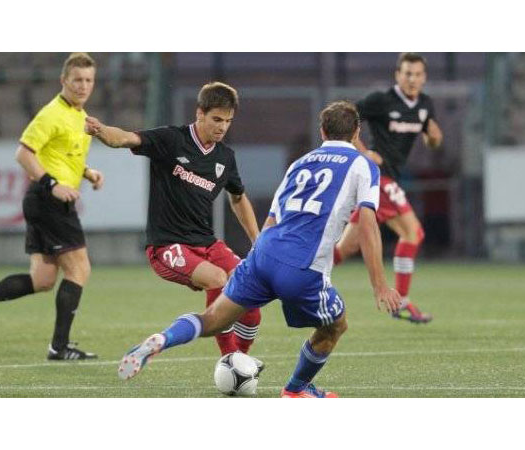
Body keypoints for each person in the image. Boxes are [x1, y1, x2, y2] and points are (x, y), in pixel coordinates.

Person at [115, 100, 401, 398]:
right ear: (356, 132)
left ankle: (163, 339)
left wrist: (255, 261)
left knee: (212, 320)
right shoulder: (363, 165)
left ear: (323, 132)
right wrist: (380, 285)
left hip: (262, 256)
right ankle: (295, 390)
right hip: (302, 267)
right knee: (335, 326)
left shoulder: (300, 164)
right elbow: (367, 224)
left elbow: (273, 219)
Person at [85, 82, 263, 363]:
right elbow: (126, 138)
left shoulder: (225, 157)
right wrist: (101, 131)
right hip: (167, 246)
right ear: (200, 113)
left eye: (228, 121)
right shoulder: (171, 140)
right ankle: (230, 358)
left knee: (250, 289)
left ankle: (241, 362)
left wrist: (257, 239)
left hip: (207, 243)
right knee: (217, 279)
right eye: (217, 119)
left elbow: (238, 197)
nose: (222, 127)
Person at [0, 53, 105, 360]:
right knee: (79, 268)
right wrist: (53, 184)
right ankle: (59, 347)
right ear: (63, 80)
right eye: (77, 79)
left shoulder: (80, 115)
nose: (83, 86)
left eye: (88, 80)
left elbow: (60, 156)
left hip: (44, 201)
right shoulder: (52, 113)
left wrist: (86, 172)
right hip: (49, 201)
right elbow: (23, 154)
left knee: (43, 279)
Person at [334, 52, 443, 324]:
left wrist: (434, 138)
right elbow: (345, 118)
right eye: (407, 73)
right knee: (412, 232)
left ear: (424, 77)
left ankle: (296, 272)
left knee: (345, 248)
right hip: (379, 178)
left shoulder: (425, 104)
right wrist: (363, 152)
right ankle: (401, 302)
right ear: (398, 75)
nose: (412, 79)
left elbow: (431, 139)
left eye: (417, 74)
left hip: (388, 178)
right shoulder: (381, 100)